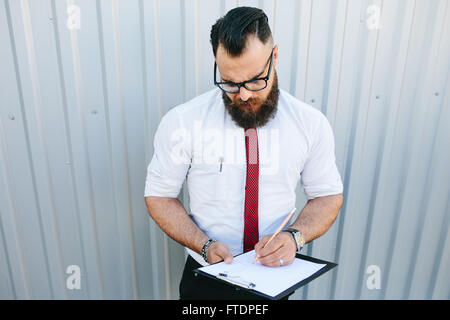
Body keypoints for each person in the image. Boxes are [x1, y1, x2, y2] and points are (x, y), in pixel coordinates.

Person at [144, 6, 343, 300]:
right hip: (205, 278)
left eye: (255, 80)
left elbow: (327, 196)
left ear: (274, 57)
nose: (245, 95)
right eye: (230, 83)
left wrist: (294, 237)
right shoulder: (183, 122)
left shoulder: (310, 124)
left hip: (274, 277)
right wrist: (204, 244)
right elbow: (159, 196)